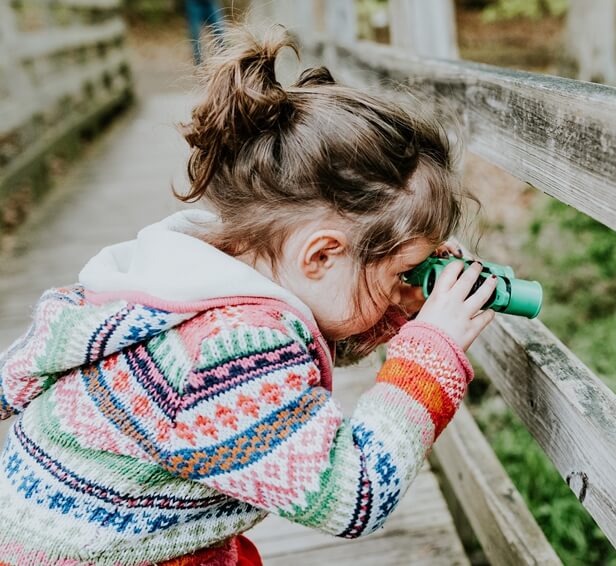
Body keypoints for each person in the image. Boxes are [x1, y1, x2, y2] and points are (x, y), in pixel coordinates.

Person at [0, 26, 497, 565]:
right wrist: (430, 353)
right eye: (405, 269)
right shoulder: (233, 351)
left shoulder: (184, 278)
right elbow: (354, 496)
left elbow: (305, 343)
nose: (410, 281)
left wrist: (392, 307)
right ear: (321, 255)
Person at [184, 0, 226, 65]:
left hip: (211, 3)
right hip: (193, 3)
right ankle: (198, 63)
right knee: (195, 34)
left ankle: (224, 58)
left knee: (219, 29)